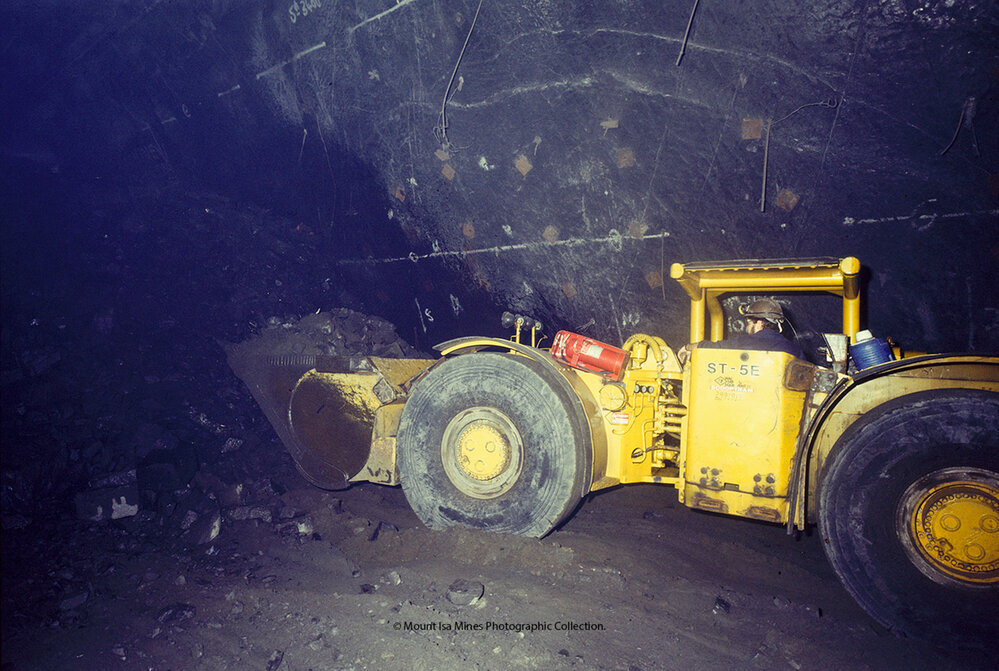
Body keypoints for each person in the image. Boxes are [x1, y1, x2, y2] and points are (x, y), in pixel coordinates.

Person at [676, 298, 804, 365]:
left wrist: (687, 347)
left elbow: (714, 348)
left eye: (748, 323)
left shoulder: (744, 343)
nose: (746, 328)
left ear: (758, 323)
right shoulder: (795, 350)